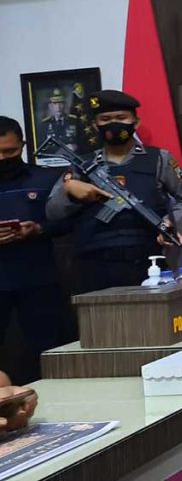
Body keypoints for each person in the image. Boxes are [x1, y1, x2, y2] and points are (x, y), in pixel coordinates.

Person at [46, 90, 182, 293]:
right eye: (105, 119)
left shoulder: (159, 159)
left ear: (136, 122)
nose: (114, 124)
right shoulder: (82, 165)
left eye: (121, 118)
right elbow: (52, 212)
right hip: (93, 264)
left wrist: (172, 222)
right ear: (94, 125)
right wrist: (69, 192)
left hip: (148, 262)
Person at [0, 117, 70, 383]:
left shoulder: (46, 179)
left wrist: (38, 229)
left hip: (38, 279)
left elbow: (68, 222)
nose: (2, 158)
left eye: (9, 151)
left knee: (48, 349)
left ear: (23, 145)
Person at [40, 88, 85, 152]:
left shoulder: (74, 121)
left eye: (61, 103)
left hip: (73, 155)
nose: (58, 107)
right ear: (50, 106)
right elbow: (41, 146)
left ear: (65, 105)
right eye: (55, 104)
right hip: (53, 156)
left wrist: (76, 146)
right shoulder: (45, 124)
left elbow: (83, 141)